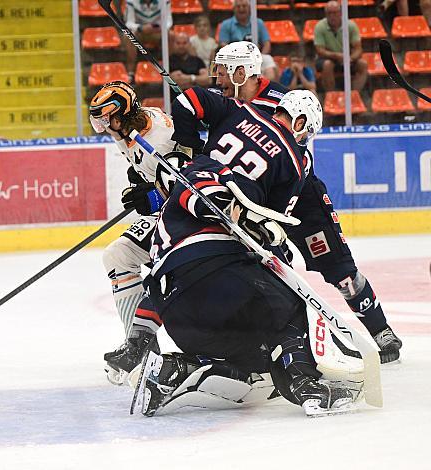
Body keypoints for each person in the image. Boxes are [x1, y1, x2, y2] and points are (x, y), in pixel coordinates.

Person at [133, 89, 357, 417]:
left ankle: (175, 369)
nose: (305, 138)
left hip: (172, 299)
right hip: (218, 273)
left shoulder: (236, 112)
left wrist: (188, 150)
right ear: (299, 121)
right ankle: (305, 383)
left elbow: (187, 100)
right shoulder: (294, 161)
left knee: (255, 359)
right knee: (287, 305)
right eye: (307, 131)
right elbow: (268, 237)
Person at [181, 40, 403, 364]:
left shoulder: (281, 101)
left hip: (302, 200)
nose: (218, 81)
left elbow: (301, 157)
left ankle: (381, 330)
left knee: (339, 270)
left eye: (223, 73)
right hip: (251, 195)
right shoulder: (222, 105)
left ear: (243, 73)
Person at [88, 81, 183, 385]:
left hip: (188, 218)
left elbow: (192, 183)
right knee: (117, 255)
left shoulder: (159, 136)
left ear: (120, 115)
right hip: (169, 214)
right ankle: (141, 351)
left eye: (104, 119)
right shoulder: (127, 130)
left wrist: (154, 196)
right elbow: (148, 172)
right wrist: (142, 183)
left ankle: (141, 354)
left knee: (124, 256)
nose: (102, 127)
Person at [314, 1, 368, 92]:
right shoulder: (319, 27)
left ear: (340, 13)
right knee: (327, 65)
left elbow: (358, 48)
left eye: (334, 13)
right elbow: (320, 50)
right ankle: (331, 95)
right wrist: (337, 56)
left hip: (348, 57)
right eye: (329, 13)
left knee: (363, 64)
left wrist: (351, 58)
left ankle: (354, 94)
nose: (332, 16)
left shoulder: (351, 26)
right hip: (327, 57)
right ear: (325, 14)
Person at [217, 0, 277, 81]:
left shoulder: (258, 23)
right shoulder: (226, 24)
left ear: (249, 8)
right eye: (238, 6)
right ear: (234, 9)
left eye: (244, 6)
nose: (241, 9)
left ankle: (263, 88)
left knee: (268, 60)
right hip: (235, 59)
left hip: (256, 57)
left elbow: (267, 44)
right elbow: (223, 45)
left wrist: (258, 57)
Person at [124, 0, 173, 82]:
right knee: (128, 35)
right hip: (140, 32)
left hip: (158, 32)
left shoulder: (164, 1)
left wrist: (160, 28)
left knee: (171, 35)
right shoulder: (131, 1)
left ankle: (170, 68)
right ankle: (131, 73)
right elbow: (129, 23)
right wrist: (140, 28)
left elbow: (169, 21)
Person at [169, 32, 211, 99]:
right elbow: (172, 81)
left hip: (196, 98)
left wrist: (190, 78)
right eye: (178, 43)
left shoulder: (197, 60)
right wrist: (196, 82)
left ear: (189, 44)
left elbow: (208, 80)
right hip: (175, 99)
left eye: (184, 43)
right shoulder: (168, 61)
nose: (181, 46)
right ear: (174, 44)